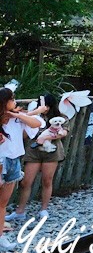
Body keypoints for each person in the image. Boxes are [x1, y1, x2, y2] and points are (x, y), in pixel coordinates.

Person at [11, 94, 68, 222]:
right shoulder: (35, 116)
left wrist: (45, 137)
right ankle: (20, 210)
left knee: (47, 180)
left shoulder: (60, 118)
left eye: (48, 105)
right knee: (26, 182)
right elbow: (25, 134)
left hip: (52, 152)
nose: (46, 108)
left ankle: (44, 208)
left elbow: (63, 133)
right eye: (43, 105)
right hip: (33, 151)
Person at [0, 88, 43, 252]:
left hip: (14, 161)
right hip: (1, 161)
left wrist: (16, 115)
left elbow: (37, 124)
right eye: (12, 99)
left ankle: (1, 237)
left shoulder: (18, 118)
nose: (15, 101)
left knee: (3, 203)